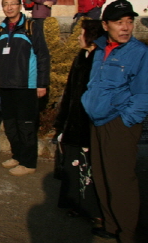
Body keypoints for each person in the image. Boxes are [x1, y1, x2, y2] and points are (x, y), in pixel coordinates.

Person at [81, 0, 148, 242]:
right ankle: (111, 225)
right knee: (101, 175)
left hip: (119, 123)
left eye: (129, 22)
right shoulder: (100, 49)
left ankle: (128, 233)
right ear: (106, 25)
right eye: (119, 22)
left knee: (121, 180)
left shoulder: (139, 53)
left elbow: (143, 94)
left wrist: (127, 120)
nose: (126, 27)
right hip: (97, 121)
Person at [54, 19, 104, 222]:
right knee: (73, 166)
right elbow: (69, 91)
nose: (77, 37)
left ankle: (93, 209)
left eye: (80, 33)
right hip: (74, 119)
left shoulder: (99, 59)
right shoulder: (81, 56)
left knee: (88, 169)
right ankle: (75, 203)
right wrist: (61, 121)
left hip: (89, 121)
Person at [0, 0, 50, 176]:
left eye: (13, 4)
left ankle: (29, 162)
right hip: (6, 86)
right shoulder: (1, 29)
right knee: (10, 125)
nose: (9, 7)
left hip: (26, 85)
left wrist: (41, 83)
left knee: (26, 125)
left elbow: (42, 55)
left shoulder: (30, 27)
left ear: (20, 5)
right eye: (5, 4)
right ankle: (18, 156)